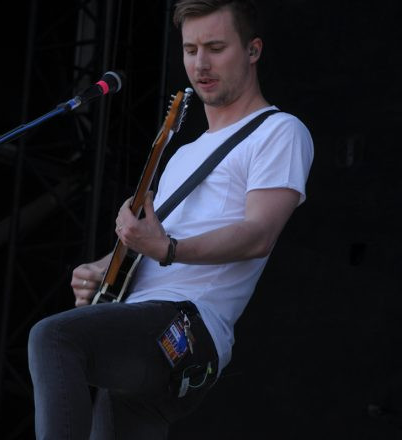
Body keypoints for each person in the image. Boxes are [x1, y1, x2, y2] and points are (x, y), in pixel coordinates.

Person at [28, 0, 314, 438]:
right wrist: (100, 270)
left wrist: (168, 249)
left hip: (186, 327)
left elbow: (259, 234)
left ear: (253, 50)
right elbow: (153, 243)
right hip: (141, 323)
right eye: (190, 49)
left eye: (216, 48)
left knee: (54, 338)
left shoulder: (279, 131)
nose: (200, 64)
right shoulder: (183, 154)